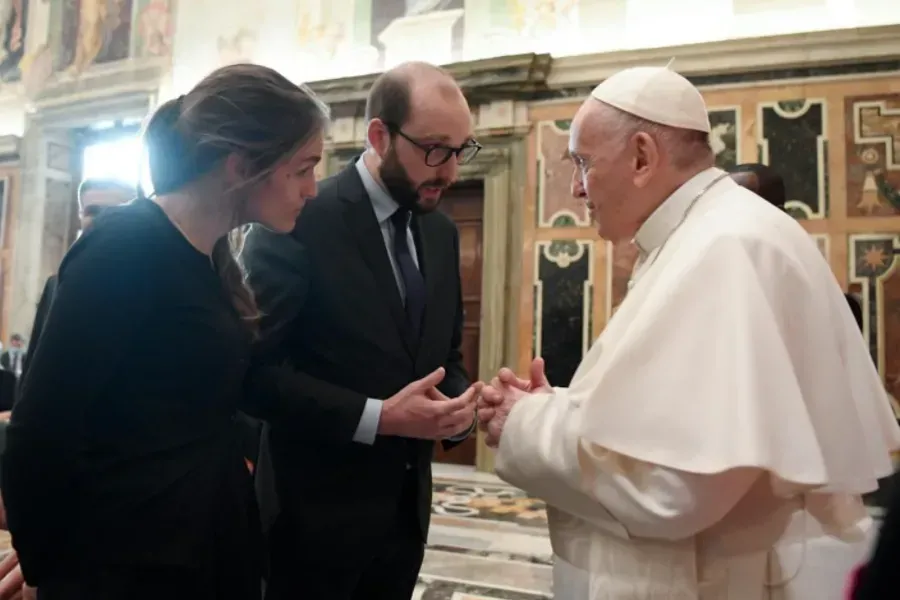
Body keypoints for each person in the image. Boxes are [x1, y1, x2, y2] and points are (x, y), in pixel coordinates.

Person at [476, 66, 900, 599]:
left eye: (583, 162)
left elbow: (670, 488)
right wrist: (561, 408)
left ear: (641, 157)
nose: (577, 188)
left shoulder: (723, 247)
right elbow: (669, 424)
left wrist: (525, 423)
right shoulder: (712, 233)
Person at [2, 63, 352, 600]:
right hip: (126, 566)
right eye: (302, 168)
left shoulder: (213, 256)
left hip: (198, 549)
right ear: (241, 166)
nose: (312, 188)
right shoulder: (127, 245)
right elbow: (43, 427)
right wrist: (49, 564)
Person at [241, 61, 480, 600]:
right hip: (309, 526)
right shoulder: (298, 216)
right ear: (380, 135)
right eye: (436, 149)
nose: (450, 171)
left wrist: (463, 408)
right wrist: (378, 417)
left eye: (462, 150)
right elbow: (254, 374)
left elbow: (443, 354)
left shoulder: (441, 232)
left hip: (403, 523)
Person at [22, 178, 135, 383]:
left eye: (114, 212)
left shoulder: (156, 285)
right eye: (93, 211)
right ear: (81, 216)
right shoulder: (55, 285)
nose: (101, 220)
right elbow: (34, 363)